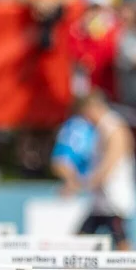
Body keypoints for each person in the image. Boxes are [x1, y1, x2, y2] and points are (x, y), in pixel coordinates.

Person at [52, 90, 135, 250]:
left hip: (115, 201)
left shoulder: (115, 128)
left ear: (92, 108)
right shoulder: (100, 130)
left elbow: (108, 166)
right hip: (101, 202)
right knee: (79, 243)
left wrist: (79, 185)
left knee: (122, 246)